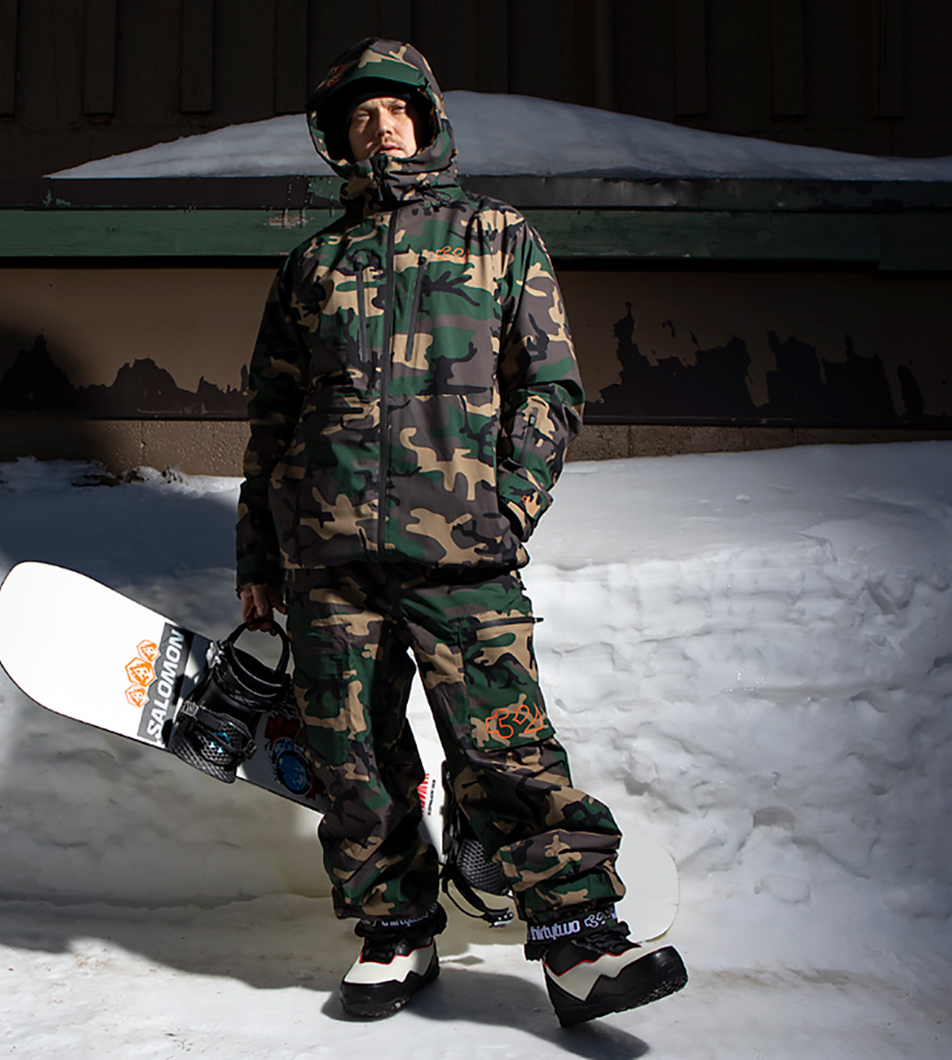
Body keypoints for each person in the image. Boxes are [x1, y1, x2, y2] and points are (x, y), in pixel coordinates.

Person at [235, 37, 687, 1025]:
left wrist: (505, 505)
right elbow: (273, 420)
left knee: (506, 744)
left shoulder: (495, 235)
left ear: (429, 123)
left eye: (394, 110)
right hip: (330, 557)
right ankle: (395, 932)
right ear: (337, 140)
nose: (378, 125)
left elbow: (551, 387)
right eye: (359, 116)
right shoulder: (314, 264)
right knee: (350, 752)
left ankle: (580, 948)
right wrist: (260, 557)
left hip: (462, 552)